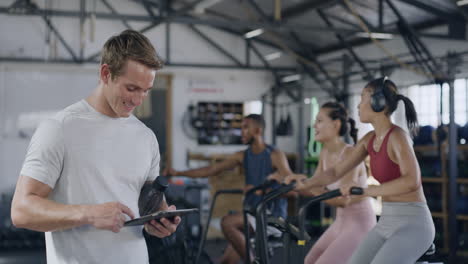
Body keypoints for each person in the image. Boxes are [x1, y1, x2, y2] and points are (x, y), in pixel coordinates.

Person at [11, 30, 180, 264]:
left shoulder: (145, 137)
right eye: (131, 88)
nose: (138, 100)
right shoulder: (59, 128)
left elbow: (146, 204)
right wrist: (89, 213)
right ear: (105, 73)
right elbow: (21, 211)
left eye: (146, 91)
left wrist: (158, 221)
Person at [286, 77, 435, 264]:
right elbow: (335, 172)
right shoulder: (369, 139)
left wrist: (367, 191)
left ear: (377, 102)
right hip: (386, 223)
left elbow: (411, 181)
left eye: (362, 99)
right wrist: (306, 183)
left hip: (413, 223)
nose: (358, 106)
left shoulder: (398, 136)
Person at [164, 114, 293, 264]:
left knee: (227, 222)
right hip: (251, 215)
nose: (241, 132)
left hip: (272, 217)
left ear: (258, 131)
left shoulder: (275, 155)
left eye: (246, 128)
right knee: (226, 262)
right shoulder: (243, 156)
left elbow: (292, 188)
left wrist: (263, 191)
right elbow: (211, 169)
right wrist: (178, 173)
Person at [297, 102, 376, 264]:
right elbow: (313, 186)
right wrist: (294, 181)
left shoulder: (349, 154)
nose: (314, 125)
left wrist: (309, 187)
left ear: (335, 124)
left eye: (319, 121)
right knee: (309, 260)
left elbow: (342, 200)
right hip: (341, 221)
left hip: (360, 224)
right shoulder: (325, 152)